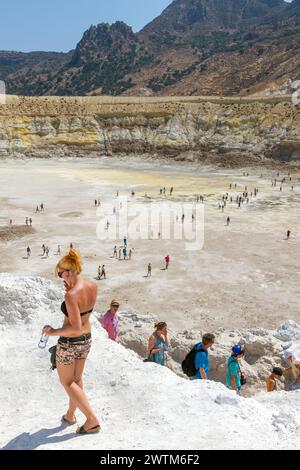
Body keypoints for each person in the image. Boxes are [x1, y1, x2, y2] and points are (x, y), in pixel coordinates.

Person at [42, 250, 100, 434]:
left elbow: (74, 328)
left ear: (72, 270)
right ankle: (70, 415)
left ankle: (91, 420)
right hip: (86, 340)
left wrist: (53, 332)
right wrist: (72, 290)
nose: (63, 277)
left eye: (64, 272)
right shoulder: (92, 285)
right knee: (76, 379)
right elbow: (82, 317)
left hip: (70, 342)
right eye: (61, 274)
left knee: (67, 382)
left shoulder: (71, 295)